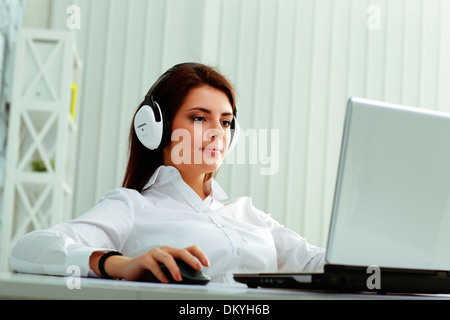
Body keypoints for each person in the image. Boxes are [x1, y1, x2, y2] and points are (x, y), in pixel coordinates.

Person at [10, 62, 325, 283]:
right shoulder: (133, 208)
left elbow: (317, 262)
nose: (218, 132)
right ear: (156, 129)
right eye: (200, 118)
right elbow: (29, 249)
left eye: (226, 122)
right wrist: (120, 264)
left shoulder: (248, 214)